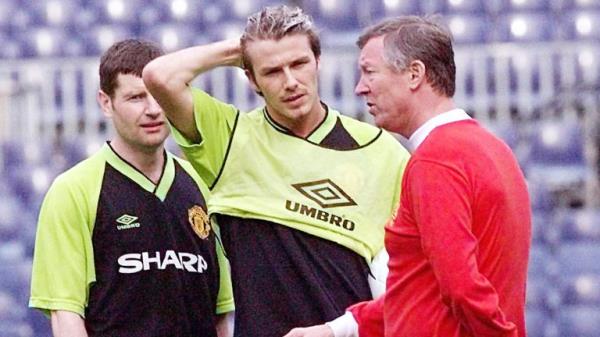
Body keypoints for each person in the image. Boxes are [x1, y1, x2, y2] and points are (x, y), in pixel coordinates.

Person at [142, 5, 410, 337]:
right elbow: (159, 76)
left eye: (299, 63)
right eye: (271, 71)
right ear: (250, 78)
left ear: (318, 62)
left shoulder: (382, 152)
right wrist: (242, 49)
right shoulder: (228, 138)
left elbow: (409, 277)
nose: (291, 82)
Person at [285, 15, 531, 337]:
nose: (360, 88)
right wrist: (337, 329)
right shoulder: (493, 149)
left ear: (415, 74)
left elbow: (462, 288)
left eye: (370, 72)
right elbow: (421, 290)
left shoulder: (437, 160)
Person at [29, 39, 234, 337]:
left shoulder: (204, 184)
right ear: (106, 102)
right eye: (136, 97)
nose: (153, 110)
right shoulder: (73, 191)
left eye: (159, 96)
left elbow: (220, 312)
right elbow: (66, 316)